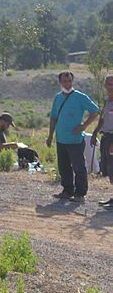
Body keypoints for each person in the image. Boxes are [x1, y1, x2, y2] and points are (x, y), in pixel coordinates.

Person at [46, 71, 100, 203]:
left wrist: (83, 126)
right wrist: (50, 136)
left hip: (75, 140)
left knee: (79, 166)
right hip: (60, 139)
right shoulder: (58, 97)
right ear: (60, 82)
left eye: (69, 81)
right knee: (63, 166)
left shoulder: (80, 97)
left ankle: (80, 193)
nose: (67, 83)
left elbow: (95, 112)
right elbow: (53, 117)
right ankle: (67, 190)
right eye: (65, 81)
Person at [92, 74, 113, 207]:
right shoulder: (107, 100)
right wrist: (94, 133)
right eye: (108, 83)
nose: (110, 86)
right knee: (109, 169)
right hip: (106, 136)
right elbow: (103, 119)